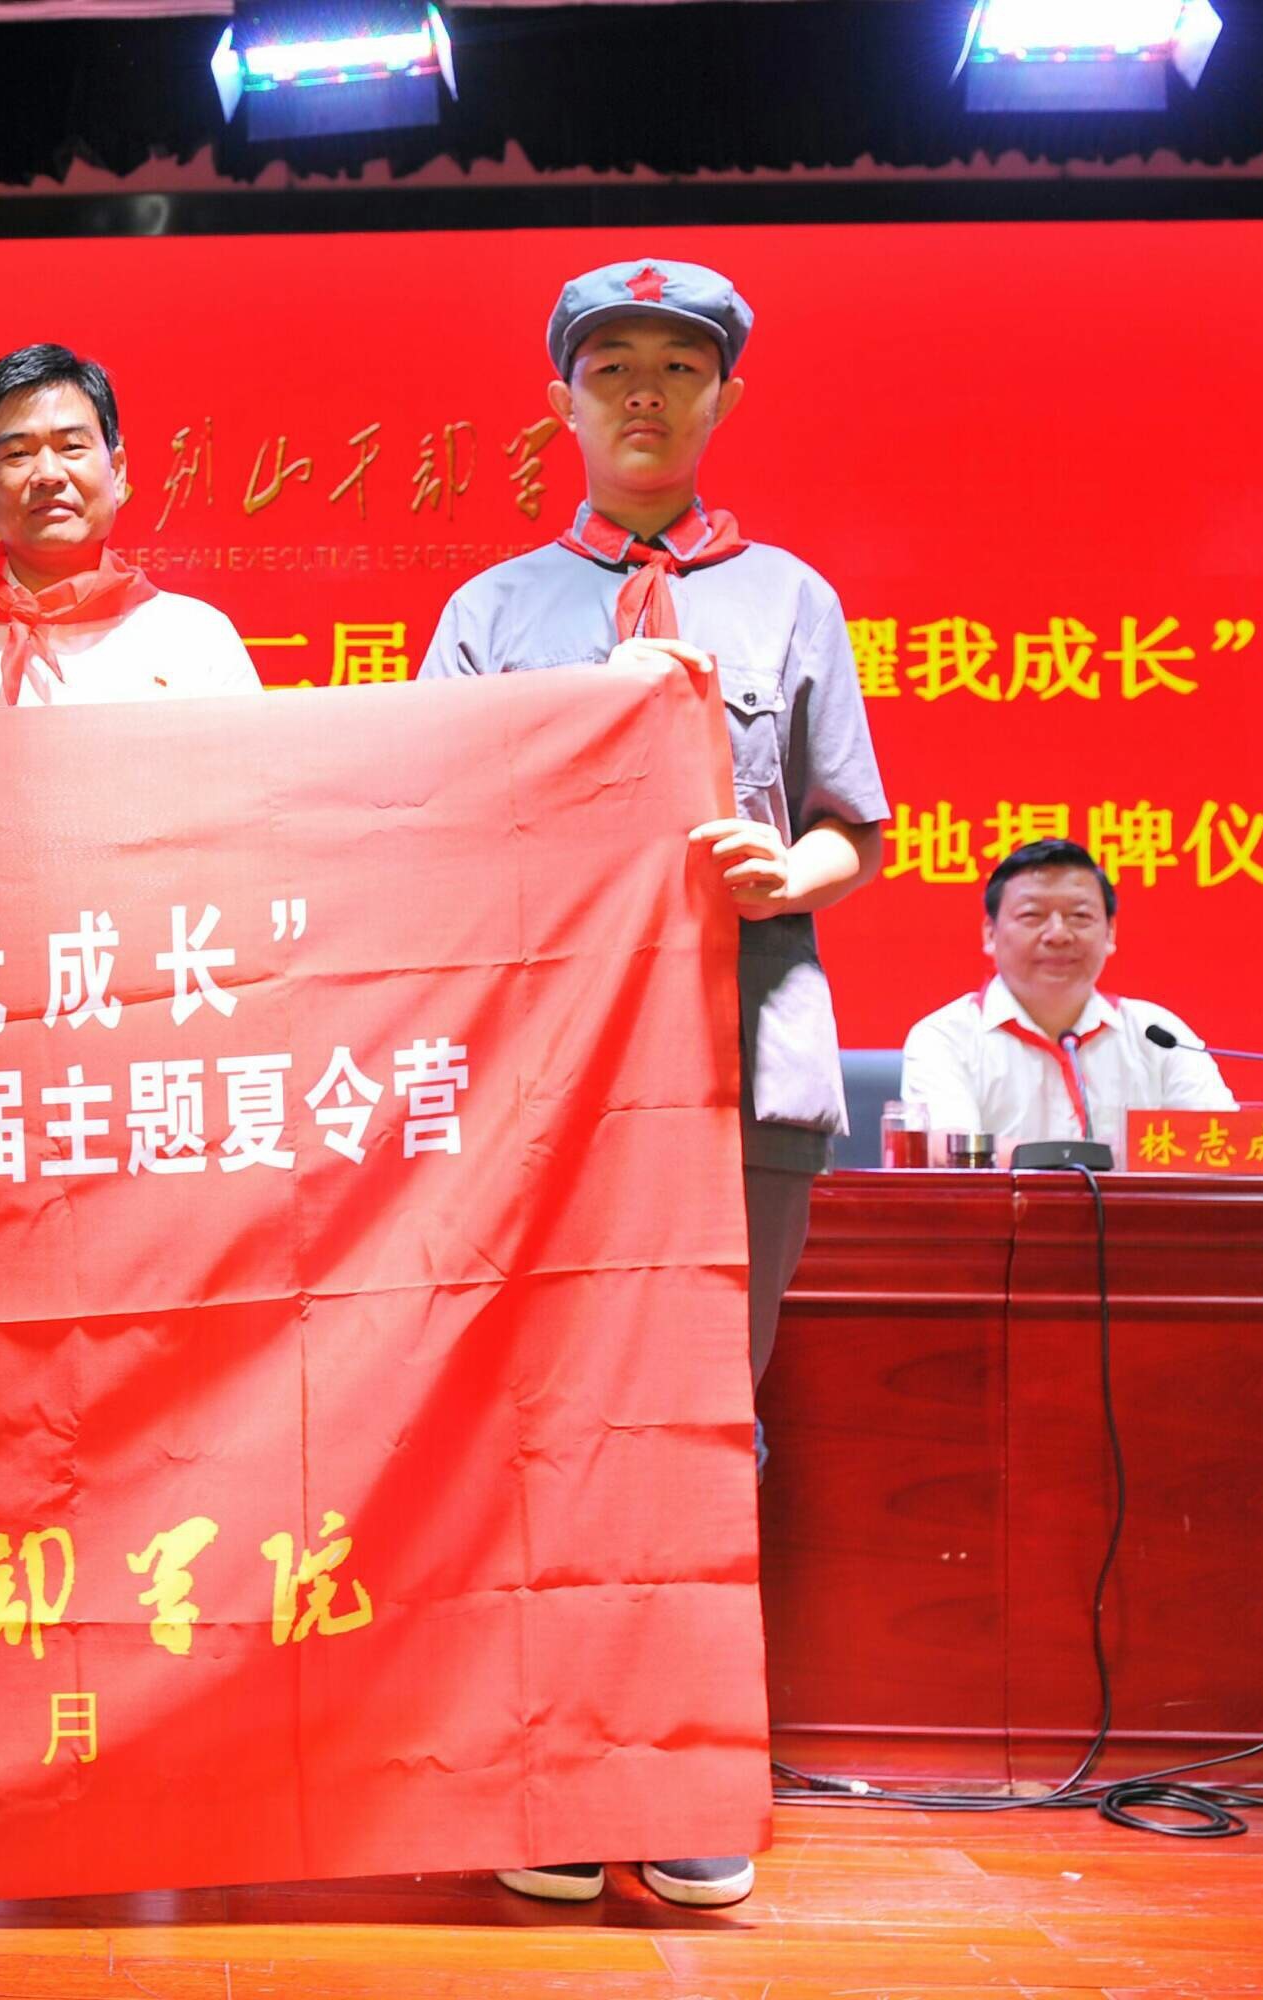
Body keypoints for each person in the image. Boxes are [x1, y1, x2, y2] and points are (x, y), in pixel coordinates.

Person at [419, 258, 889, 1911]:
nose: (641, 392)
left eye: (677, 368)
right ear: (559, 399)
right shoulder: (490, 614)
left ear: (723, 399)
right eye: (608, 363)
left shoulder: (791, 600)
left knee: (703, 1421)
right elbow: (423, 823)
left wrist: (786, 869)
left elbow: (852, 826)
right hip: (547, 1079)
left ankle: (686, 1774)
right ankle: (558, 1776)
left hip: (743, 1060)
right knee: (545, 1424)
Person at [0, 342, 260, 710]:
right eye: (18, 453)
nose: (48, 474)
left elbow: (251, 774)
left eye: (71, 447)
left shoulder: (196, 638)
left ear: (117, 471)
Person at [898, 837, 1234, 1152]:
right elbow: (951, 1151)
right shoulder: (946, 1037)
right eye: (1032, 916)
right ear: (990, 933)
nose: (1058, 934)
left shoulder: (1157, 1035)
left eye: (1080, 916)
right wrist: (1103, 1160)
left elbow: (1222, 1144)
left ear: (1110, 933)